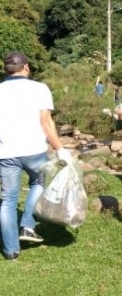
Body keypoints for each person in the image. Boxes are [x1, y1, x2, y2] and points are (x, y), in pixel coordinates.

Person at [0, 51, 73, 261]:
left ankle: (11, 251)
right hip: (34, 149)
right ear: (26, 67)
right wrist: (60, 148)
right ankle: (27, 226)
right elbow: (46, 122)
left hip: (5, 152)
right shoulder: (39, 88)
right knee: (38, 184)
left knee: (7, 201)